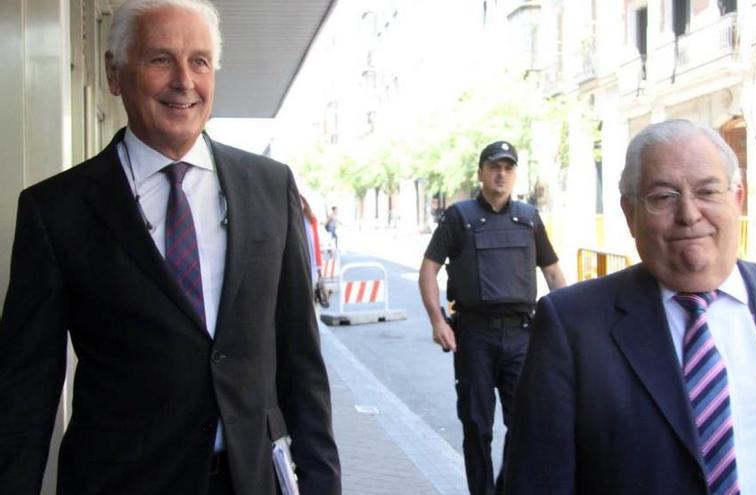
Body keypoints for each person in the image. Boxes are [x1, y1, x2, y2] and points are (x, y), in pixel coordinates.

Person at [0, 1, 341, 494]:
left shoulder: (269, 187)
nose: (184, 80)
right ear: (114, 74)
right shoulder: (55, 210)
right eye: (161, 59)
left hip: (250, 481)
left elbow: (301, 362)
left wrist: (322, 483)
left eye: (199, 61)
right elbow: (25, 392)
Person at [505, 119, 756, 494]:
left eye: (708, 191)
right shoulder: (572, 326)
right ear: (630, 213)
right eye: (663, 196)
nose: (689, 213)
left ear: (737, 198)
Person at [418, 140, 567, 495]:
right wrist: (438, 320)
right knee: (476, 426)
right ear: (481, 171)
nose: (502, 173)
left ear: (515, 174)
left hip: (522, 336)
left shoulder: (529, 219)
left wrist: (568, 326)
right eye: (495, 166)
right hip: (475, 337)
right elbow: (428, 270)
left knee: (525, 426)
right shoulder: (459, 218)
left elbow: (553, 273)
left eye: (508, 167)